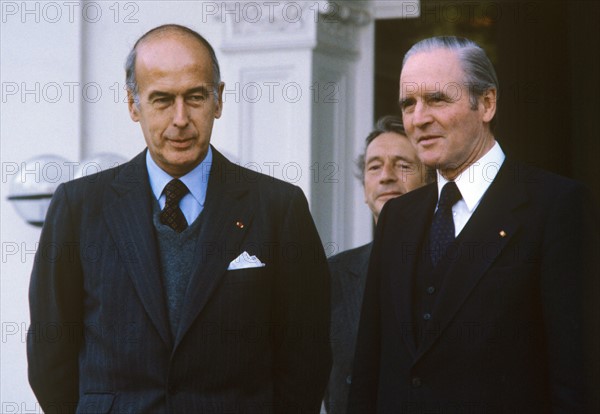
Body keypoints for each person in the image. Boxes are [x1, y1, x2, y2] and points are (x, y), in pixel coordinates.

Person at [27, 24, 331, 414]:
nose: (181, 118)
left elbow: (305, 360)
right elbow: (51, 355)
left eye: (195, 96)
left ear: (218, 100)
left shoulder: (278, 208)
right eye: (162, 100)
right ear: (133, 105)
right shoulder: (78, 207)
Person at [348, 36, 598, 413]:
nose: (419, 118)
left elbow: (576, 376)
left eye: (437, 99)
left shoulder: (555, 207)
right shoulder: (398, 217)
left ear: (486, 103)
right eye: (408, 104)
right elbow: (369, 368)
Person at [324, 116, 431, 414]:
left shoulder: (453, 268)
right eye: (374, 167)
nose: (386, 176)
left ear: (430, 181)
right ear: (364, 189)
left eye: (403, 165)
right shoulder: (333, 275)